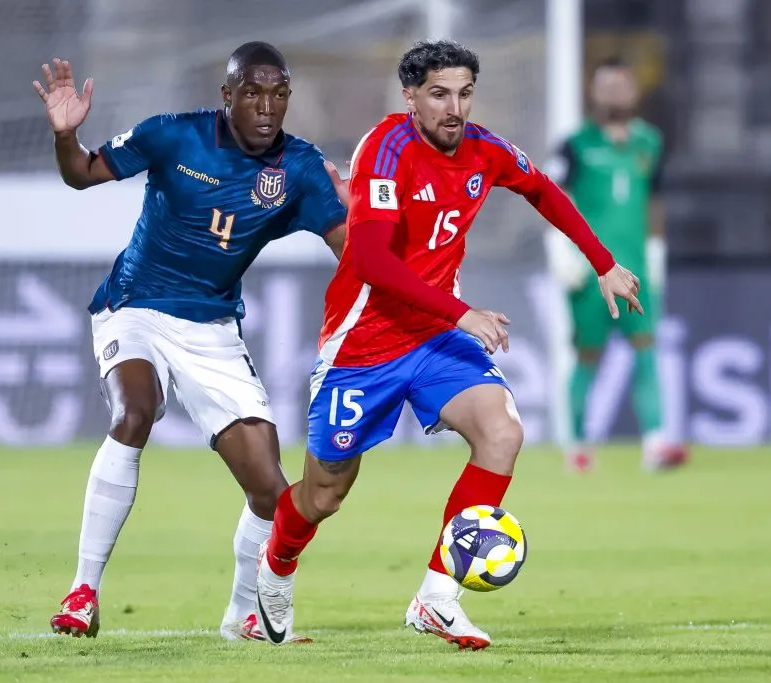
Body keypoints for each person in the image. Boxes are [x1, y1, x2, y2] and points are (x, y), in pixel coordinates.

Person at [254, 39, 642, 650]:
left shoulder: (485, 148)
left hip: (434, 338)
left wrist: (604, 263)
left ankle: (437, 597)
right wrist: (463, 313)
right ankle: (275, 567)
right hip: (364, 344)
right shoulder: (386, 149)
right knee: (324, 493)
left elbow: (542, 189)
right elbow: (373, 261)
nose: (454, 108)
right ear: (410, 95)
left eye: (464, 94)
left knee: (502, 433)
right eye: (438, 94)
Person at [31, 42, 347, 642]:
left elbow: (350, 250)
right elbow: (81, 174)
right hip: (136, 306)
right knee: (134, 413)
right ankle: (82, 591)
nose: (267, 107)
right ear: (227, 95)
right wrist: (65, 136)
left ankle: (242, 616)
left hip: (213, 329)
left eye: (279, 94)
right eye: (252, 93)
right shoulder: (173, 136)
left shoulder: (300, 167)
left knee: (271, 492)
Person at [544, 56, 688, 473]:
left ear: (634, 92)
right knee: (587, 356)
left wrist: (656, 254)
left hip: (637, 268)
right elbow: (554, 198)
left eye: (621, 86)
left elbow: (654, 202)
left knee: (646, 350)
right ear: (593, 92)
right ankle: (577, 447)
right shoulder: (575, 145)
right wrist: (561, 252)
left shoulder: (650, 143)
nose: (614, 94)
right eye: (606, 87)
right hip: (591, 273)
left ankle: (656, 444)